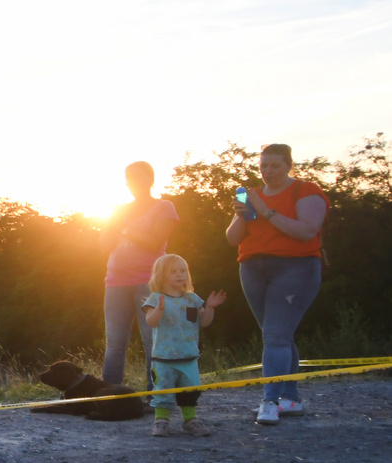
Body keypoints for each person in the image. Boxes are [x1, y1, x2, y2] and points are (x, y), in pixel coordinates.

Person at [225, 143, 328, 426]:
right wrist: (240, 213)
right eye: (263, 167)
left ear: (288, 166)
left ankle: (269, 402)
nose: (268, 172)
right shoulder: (252, 195)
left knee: (276, 336)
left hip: (296, 267)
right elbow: (233, 239)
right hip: (252, 267)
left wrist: (266, 210)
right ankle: (290, 398)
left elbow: (307, 231)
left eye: (275, 166)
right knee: (277, 335)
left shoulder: (306, 190)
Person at [98, 161, 179, 385]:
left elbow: (155, 243)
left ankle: (156, 395)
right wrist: (114, 226)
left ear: (151, 179)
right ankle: (110, 395)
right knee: (114, 343)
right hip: (115, 281)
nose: (134, 182)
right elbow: (104, 245)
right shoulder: (119, 210)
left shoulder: (164, 206)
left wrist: (125, 228)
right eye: (130, 178)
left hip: (149, 281)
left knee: (152, 341)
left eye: (140, 177)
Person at [141, 254, 225, 437]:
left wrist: (210, 308)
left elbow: (204, 322)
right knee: (163, 391)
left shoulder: (192, 299)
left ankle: (190, 420)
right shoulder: (156, 298)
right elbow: (151, 322)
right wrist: (159, 310)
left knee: (190, 390)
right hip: (163, 358)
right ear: (161, 275)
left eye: (183, 271)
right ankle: (161, 421)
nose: (179, 275)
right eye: (173, 272)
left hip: (188, 356)